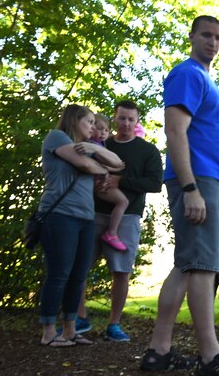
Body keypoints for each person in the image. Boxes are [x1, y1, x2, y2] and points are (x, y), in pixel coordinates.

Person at [141, 15, 219, 376]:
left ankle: (159, 351)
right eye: (206, 35)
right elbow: (175, 131)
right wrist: (190, 189)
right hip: (196, 181)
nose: (213, 42)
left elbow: (214, 142)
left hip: (211, 180)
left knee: (187, 265)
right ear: (192, 37)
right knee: (203, 265)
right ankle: (209, 356)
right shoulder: (188, 74)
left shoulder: (204, 79)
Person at [76, 100, 163, 342]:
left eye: (130, 119)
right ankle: (79, 318)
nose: (125, 123)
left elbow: (155, 184)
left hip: (127, 217)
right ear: (114, 118)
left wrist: (120, 181)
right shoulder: (101, 143)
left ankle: (114, 324)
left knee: (121, 271)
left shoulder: (148, 151)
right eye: (121, 118)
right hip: (92, 213)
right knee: (80, 266)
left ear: (137, 122)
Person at [39, 105, 124, 347]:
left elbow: (119, 164)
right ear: (74, 120)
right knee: (59, 274)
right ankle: (48, 332)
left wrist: (93, 149)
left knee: (78, 275)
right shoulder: (58, 138)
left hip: (85, 218)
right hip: (59, 215)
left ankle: (70, 330)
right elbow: (87, 167)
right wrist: (101, 169)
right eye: (88, 121)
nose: (93, 126)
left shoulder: (87, 148)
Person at [88, 114, 129, 253]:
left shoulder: (100, 144)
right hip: (98, 182)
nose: (103, 133)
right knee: (123, 202)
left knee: (122, 202)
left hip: (100, 180)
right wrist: (115, 168)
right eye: (99, 129)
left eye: (106, 130)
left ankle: (111, 233)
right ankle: (111, 233)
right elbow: (99, 164)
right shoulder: (92, 145)